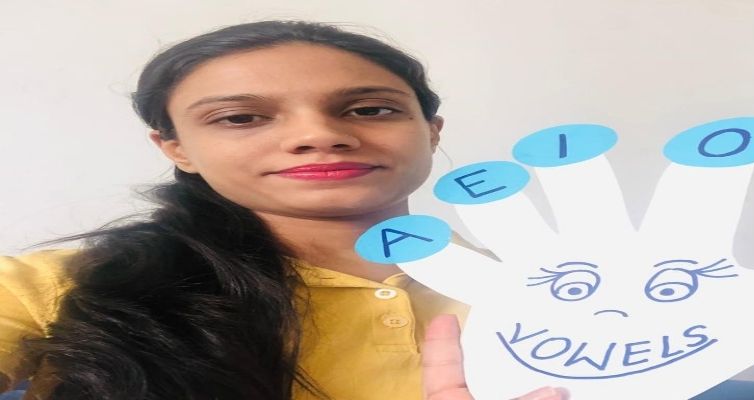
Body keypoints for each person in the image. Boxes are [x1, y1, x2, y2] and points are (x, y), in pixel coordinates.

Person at [0, 20, 567, 400]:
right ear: (176, 148)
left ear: (431, 130)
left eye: (369, 109)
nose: (318, 135)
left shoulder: (553, 287)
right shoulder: (56, 286)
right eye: (241, 118)